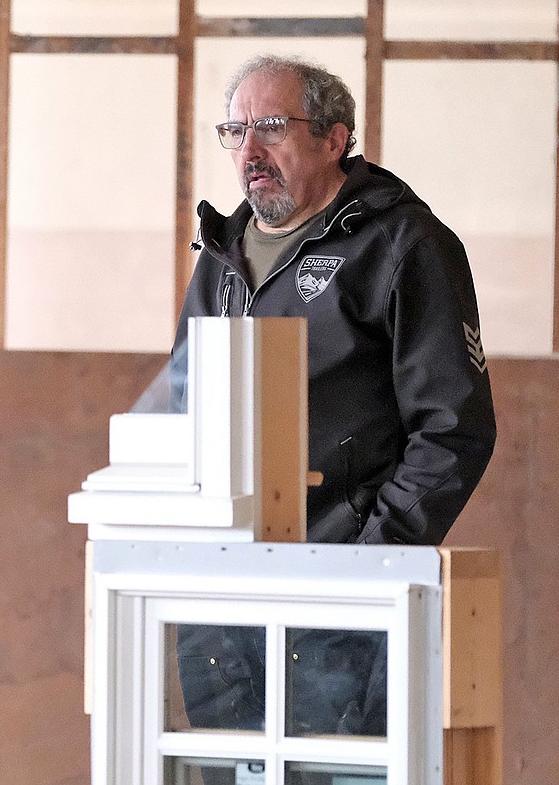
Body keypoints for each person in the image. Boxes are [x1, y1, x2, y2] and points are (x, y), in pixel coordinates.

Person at [170, 55, 496, 754]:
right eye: (235, 131)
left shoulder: (406, 245)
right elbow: (181, 406)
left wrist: (368, 563)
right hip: (217, 600)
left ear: (333, 137)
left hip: (342, 601)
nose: (249, 152)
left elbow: (453, 429)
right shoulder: (220, 255)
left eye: (271, 128)